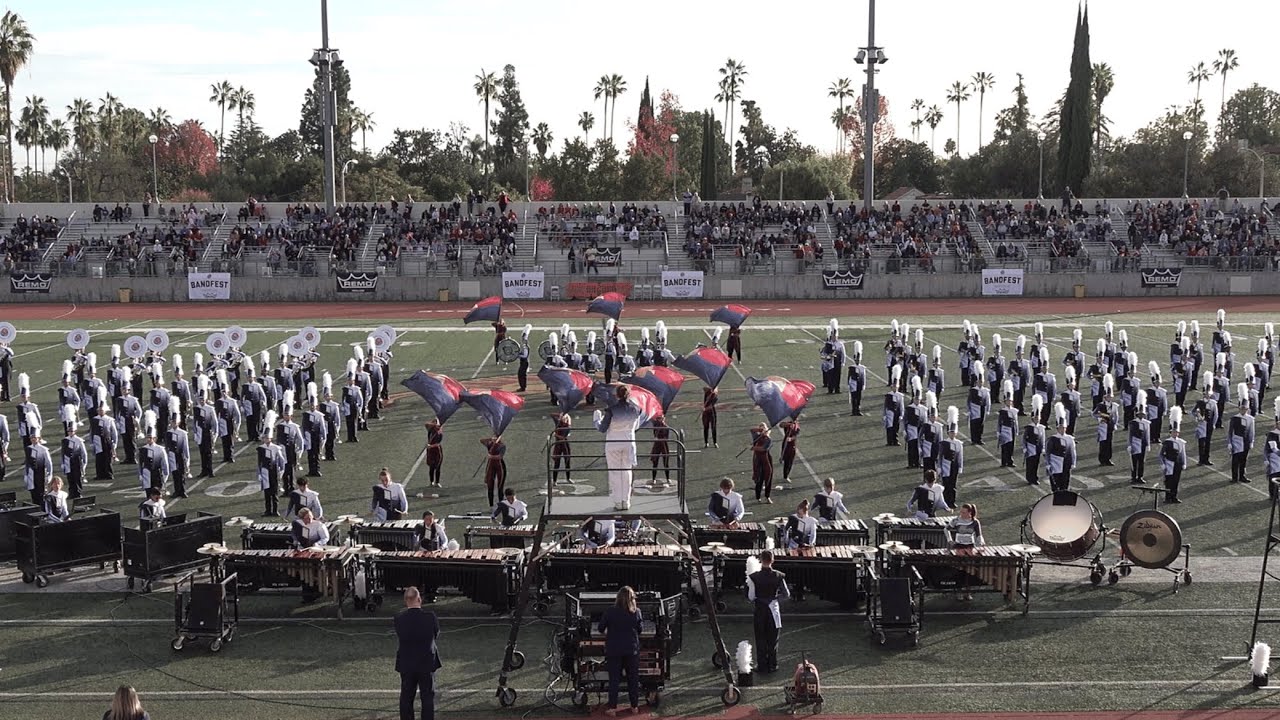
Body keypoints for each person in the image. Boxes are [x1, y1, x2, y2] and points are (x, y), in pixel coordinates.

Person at [592, 385, 646, 511]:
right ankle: (626, 501)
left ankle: (617, 501)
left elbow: (602, 428)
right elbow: (637, 425)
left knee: (615, 472)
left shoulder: (612, 409)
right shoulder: (637, 409)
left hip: (613, 442)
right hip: (629, 442)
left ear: (617, 395)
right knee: (627, 471)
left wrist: (596, 419)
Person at [394, 587, 442, 720]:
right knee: (427, 698)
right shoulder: (430, 617)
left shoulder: (399, 618)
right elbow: (436, 634)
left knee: (406, 697)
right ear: (419, 599)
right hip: (426, 662)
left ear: (405, 601)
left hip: (407, 663)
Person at [597, 586, 643, 716]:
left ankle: (612, 708)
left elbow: (601, 628)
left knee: (614, 680)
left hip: (614, 650)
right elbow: (640, 630)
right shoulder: (637, 612)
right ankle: (634, 707)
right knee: (633, 679)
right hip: (631, 649)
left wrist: (610, 631)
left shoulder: (610, 611)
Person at [747, 550, 790, 673]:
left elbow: (751, 596)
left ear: (760, 560)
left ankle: (762, 665)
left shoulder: (754, 577)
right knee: (773, 638)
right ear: (773, 560)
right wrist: (774, 600)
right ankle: (772, 664)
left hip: (760, 610)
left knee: (760, 638)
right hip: (773, 610)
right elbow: (786, 594)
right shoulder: (779, 576)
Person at [949, 503, 985, 601]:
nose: (961, 514)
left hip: (970, 547)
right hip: (959, 546)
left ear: (970, 513)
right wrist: (950, 540)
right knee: (960, 570)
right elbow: (946, 529)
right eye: (961, 512)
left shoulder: (975, 522)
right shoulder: (957, 520)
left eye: (964, 512)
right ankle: (959, 590)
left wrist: (981, 542)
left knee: (969, 570)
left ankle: (967, 591)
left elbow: (979, 535)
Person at [257, 414, 286, 517]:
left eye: (268, 438)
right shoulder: (261, 448)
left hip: (274, 471)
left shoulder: (276, 448)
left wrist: (281, 471)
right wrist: (259, 474)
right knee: (267, 492)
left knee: (274, 492)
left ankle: (275, 510)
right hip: (265, 472)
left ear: (271, 439)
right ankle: (267, 510)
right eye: (265, 438)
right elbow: (259, 462)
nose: (266, 440)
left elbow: (282, 461)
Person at [1228, 383, 1256, 484]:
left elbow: (1252, 431)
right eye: (1242, 408)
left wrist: (1252, 441)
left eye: (1245, 409)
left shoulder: (1250, 419)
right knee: (1235, 460)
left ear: (1247, 409)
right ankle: (1234, 477)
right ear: (1239, 409)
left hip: (1246, 442)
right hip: (1237, 441)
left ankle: (1242, 476)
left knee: (1244, 460)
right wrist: (1230, 443)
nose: (1243, 410)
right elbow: (1230, 432)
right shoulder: (1234, 418)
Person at [1046, 403, 1077, 493]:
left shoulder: (1070, 438)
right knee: (1056, 484)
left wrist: (1073, 462)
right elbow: (1048, 453)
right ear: (1057, 428)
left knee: (1065, 482)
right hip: (1056, 464)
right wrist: (1048, 464)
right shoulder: (1052, 439)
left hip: (1066, 463)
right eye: (1060, 428)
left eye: (1063, 428)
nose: (1062, 429)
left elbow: (1073, 451)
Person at [937, 407, 964, 507]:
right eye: (950, 432)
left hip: (954, 466)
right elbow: (940, 456)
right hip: (945, 466)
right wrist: (939, 467)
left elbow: (960, 456)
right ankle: (945, 501)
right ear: (948, 433)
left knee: (953, 485)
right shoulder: (944, 443)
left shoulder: (958, 443)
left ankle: (952, 501)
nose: (952, 434)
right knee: (946, 485)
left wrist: (960, 466)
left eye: (954, 432)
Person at [1161, 407, 1189, 504]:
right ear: (1170, 433)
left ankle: (1174, 496)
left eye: (1176, 432)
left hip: (1178, 464)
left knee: (1176, 481)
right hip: (1169, 464)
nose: (1175, 434)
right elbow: (1161, 454)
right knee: (1169, 481)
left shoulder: (1181, 442)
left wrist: (1184, 463)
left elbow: (1183, 453)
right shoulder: (1167, 442)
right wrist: (1163, 463)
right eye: (1173, 432)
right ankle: (1167, 497)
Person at [24, 418, 53, 506]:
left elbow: (49, 463)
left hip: (41, 474)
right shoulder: (28, 448)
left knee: (41, 494)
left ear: (38, 438)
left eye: (35, 438)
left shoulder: (43, 449)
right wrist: (26, 474)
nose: (33, 439)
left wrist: (50, 474)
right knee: (34, 494)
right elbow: (27, 463)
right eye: (32, 438)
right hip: (31, 475)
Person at [1094, 376, 1119, 466]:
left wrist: (1115, 424)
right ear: (1104, 397)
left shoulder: (1114, 406)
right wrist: (1100, 419)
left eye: (1110, 396)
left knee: (1109, 443)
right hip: (1103, 426)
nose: (1109, 398)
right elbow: (1094, 414)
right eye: (1107, 396)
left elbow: (1116, 416)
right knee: (1103, 443)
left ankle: (1108, 458)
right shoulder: (1101, 405)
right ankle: (1102, 459)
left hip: (1110, 426)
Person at [1128, 393, 1151, 485]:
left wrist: (1148, 444)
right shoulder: (1133, 422)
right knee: (1134, 461)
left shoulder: (1146, 423)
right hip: (1135, 443)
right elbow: (1130, 434)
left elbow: (1147, 434)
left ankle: (1140, 476)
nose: (1141, 415)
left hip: (1143, 444)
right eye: (1140, 414)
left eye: (1143, 414)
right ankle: (1133, 477)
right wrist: (1129, 445)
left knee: (1141, 461)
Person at [1022, 396, 1046, 486]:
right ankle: (1029, 478)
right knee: (1030, 464)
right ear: (1032, 418)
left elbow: (1043, 438)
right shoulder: (1028, 428)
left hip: (1038, 449)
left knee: (1036, 464)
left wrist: (1043, 448)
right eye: (1035, 418)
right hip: (1030, 448)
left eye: (1038, 418)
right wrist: (1024, 448)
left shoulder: (1041, 428)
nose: (1037, 419)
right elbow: (1024, 439)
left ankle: (1035, 477)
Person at [480, 435, 508, 508]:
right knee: (490, 485)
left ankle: (501, 504)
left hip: (499, 465)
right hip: (491, 466)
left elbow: (500, 456)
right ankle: (491, 505)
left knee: (500, 486)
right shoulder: (490, 444)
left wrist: (491, 456)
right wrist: (490, 439)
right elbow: (481, 440)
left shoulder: (502, 446)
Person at [750, 422, 774, 504]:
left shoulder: (769, 439)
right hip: (758, 460)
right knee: (759, 478)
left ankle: (767, 496)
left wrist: (754, 447)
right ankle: (758, 497)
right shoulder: (757, 436)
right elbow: (752, 430)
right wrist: (760, 430)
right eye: (761, 428)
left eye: (764, 428)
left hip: (766, 459)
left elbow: (764, 449)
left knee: (768, 477)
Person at [883, 365, 904, 446]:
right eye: (893, 387)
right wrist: (884, 414)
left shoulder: (900, 395)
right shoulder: (888, 395)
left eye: (896, 386)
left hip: (897, 413)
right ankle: (889, 441)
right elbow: (885, 406)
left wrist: (901, 414)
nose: (895, 388)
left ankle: (895, 440)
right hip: (890, 413)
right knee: (889, 427)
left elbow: (901, 406)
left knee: (896, 427)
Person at [1264, 399, 1280, 501]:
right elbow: (1270, 447)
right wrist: (1266, 458)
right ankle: (1272, 494)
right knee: (1273, 476)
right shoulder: (1272, 434)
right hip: (1274, 458)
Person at [549, 412, 572, 484]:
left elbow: (562, 438)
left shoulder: (567, 426)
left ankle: (568, 478)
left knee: (567, 462)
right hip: (558, 445)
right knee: (557, 463)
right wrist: (560, 414)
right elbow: (551, 414)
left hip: (564, 444)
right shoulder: (558, 422)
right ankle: (554, 481)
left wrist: (555, 435)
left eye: (565, 418)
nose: (563, 419)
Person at [649, 414, 671, 487]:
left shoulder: (666, 427)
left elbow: (666, 438)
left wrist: (663, 425)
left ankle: (668, 478)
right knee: (655, 462)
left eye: (661, 418)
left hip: (664, 445)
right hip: (657, 445)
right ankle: (653, 479)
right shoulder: (656, 425)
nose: (660, 420)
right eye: (658, 418)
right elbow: (655, 433)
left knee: (666, 463)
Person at [847, 341, 867, 416]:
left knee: (858, 398)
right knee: (853, 398)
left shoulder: (862, 368)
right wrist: (849, 384)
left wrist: (864, 384)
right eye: (856, 360)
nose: (857, 361)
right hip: (853, 385)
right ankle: (853, 410)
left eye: (858, 360)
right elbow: (849, 376)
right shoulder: (852, 367)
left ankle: (858, 409)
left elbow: (863, 376)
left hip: (859, 385)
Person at [424, 419, 444, 488]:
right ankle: (431, 482)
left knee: (438, 466)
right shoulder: (430, 431)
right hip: (430, 451)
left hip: (436, 450)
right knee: (431, 466)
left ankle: (437, 482)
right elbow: (426, 424)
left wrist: (430, 446)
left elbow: (438, 443)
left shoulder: (439, 433)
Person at [779, 419, 800, 484]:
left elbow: (795, 435)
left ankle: (786, 476)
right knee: (786, 461)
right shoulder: (788, 424)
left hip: (792, 446)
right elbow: (781, 425)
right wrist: (789, 424)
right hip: (786, 444)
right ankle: (785, 476)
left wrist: (791, 439)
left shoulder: (797, 426)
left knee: (790, 461)